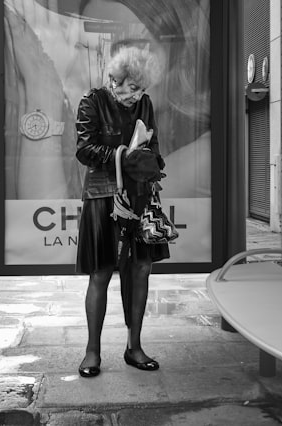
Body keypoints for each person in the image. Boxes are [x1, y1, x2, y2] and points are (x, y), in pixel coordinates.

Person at [4, 0, 211, 200]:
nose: (108, 73)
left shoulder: (203, 157)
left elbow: (63, 231)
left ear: (179, 52)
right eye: (91, 49)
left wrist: (43, 82)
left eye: (128, 50)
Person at [74, 46, 168, 378]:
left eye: (139, 89)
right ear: (114, 79)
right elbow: (84, 149)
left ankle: (135, 347)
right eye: (128, 88)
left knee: (141, 268)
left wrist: (153, 162)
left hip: (139, 197)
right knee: (100, 272)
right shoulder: (92, 101)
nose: (133, 96)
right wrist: (123, 155)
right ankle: (92, 352)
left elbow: (155, 148)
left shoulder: (145, 104)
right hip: (102, 197)